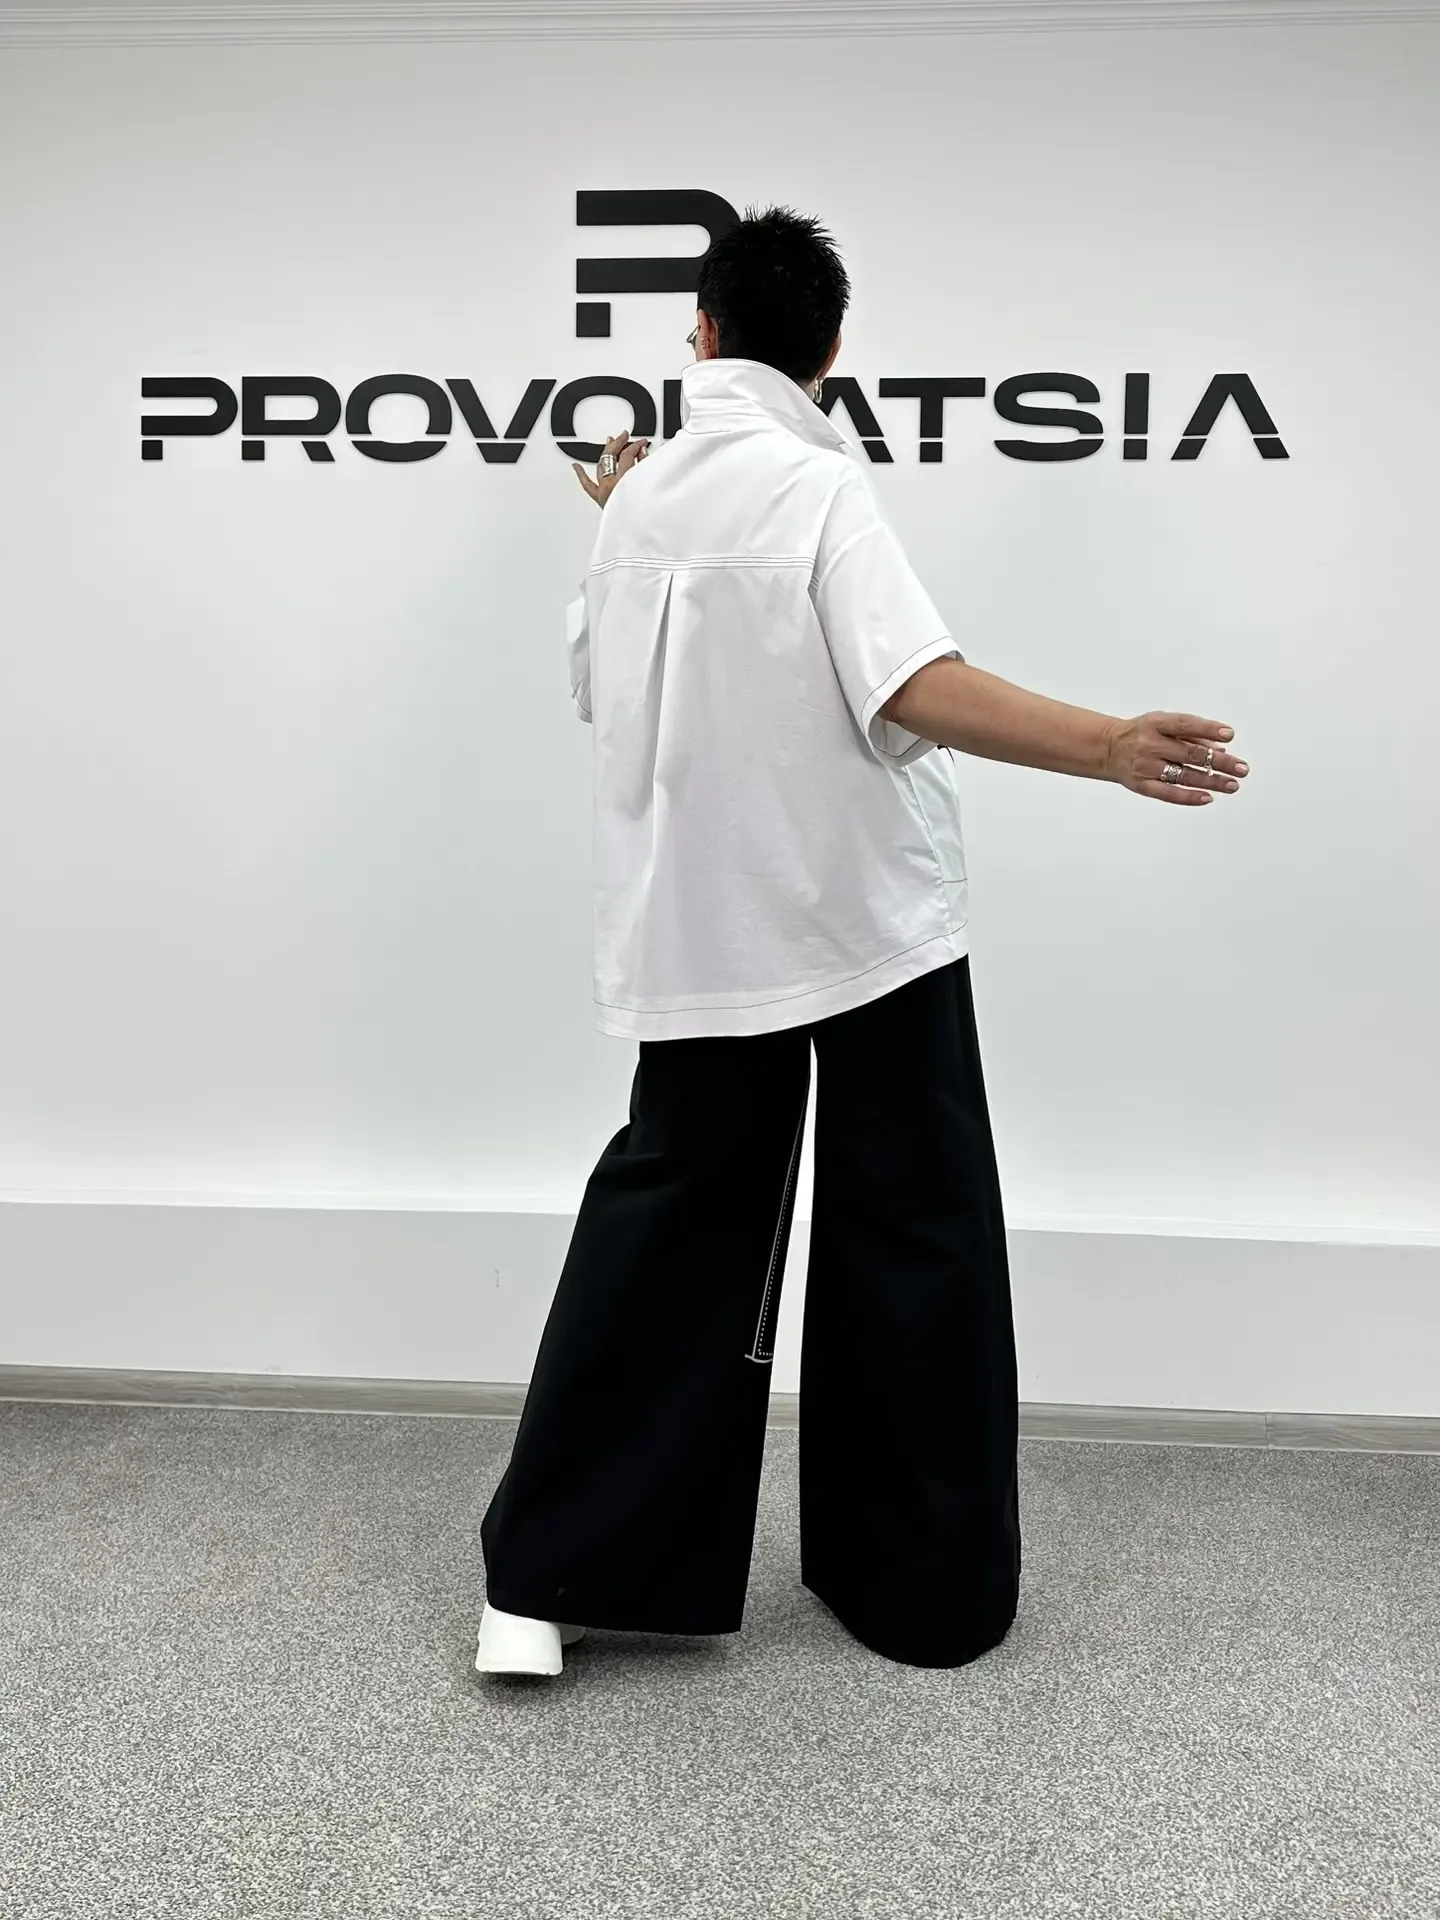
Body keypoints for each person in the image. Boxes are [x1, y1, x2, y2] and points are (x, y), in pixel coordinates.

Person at [475, 207, 1248, 1678]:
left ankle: (546, 1575)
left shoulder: (639, 498)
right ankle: (918, 1592)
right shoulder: (820, 486)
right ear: (829, 351)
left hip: (701, 930)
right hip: (868, 924)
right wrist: (1108, 746)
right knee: (916, 1226)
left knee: (666, 1235)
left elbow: (600, 686)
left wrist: (626, 514)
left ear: (701, 334)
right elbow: (912, 684)